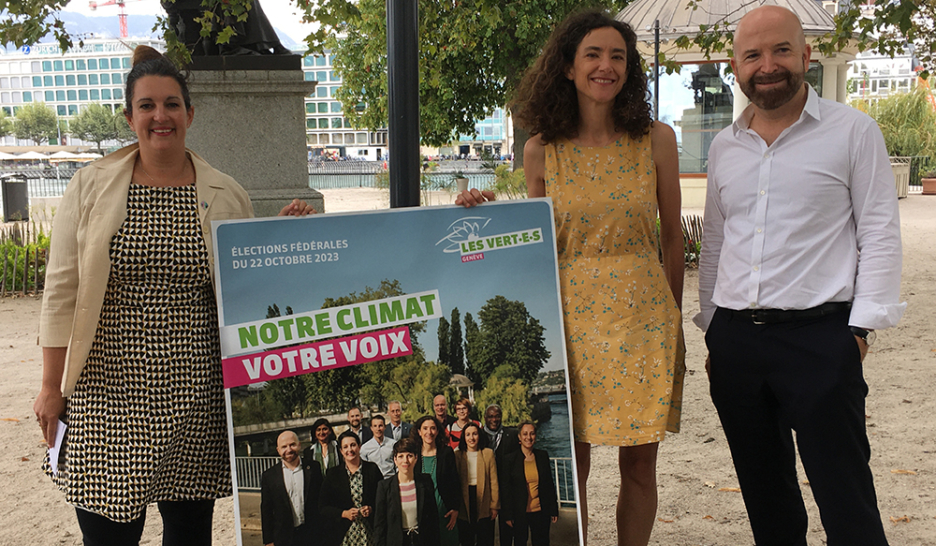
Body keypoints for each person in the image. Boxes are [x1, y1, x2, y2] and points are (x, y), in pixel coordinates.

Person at [33, 45, 315, 545]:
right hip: (107, 394)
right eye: (147, 105)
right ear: (129, 116)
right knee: (107, 531)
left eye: (170, 104)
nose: (159, 116)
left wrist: (277, 238)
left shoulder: (226, 191)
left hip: (195, 393)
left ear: (190, 113)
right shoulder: (90, 186)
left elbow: (240, 276)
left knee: (188, 534)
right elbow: (61, 292)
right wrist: (51, 386)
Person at [456, 10, 684, 546]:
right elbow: (530, 242)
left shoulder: (656, 140)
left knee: (640, 469)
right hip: (571, 326)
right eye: (593, 55)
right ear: (567, 67)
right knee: (572, 472)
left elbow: (672, 236)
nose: (606, 66)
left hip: (643, 324)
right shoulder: (541, 150)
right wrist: (475, 214)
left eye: (618, 57)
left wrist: (672, 318)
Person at [695, 6, 905, 546]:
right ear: (734, 66)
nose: (768, 65)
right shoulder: (724, 147)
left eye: (781, 50)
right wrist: (714, 328)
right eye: (753, 55)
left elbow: (878, 232)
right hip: (738, 345)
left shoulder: (853, 132)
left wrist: (857, 334)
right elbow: (717, 242)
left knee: (847, 500)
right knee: (768, 503)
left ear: (806, 55)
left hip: (822, 340)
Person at [319, 430, 384, 546]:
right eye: (345, 447)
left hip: (370, 533)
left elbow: (383, 499)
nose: (350, 450)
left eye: (353, 445)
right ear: (341, 451)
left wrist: (371, 508)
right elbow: (323, 507)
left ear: (359, 447)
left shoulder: (372, 469)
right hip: (344, 535)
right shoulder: (333, 474)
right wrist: (344, 513)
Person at [374, 438, 441, 546]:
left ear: (416, 458)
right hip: (397, 541)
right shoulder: (384, 486)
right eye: (401, 456)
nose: (405, 461)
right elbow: (380, 524)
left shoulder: (425, 481)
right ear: (395, 460)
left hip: (422, 540)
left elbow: (433, 519)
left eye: (409, 456)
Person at [261, 431, 324, 546]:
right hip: (284, 537)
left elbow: (322, 500)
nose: (289, 450)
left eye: (292, 445)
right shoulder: (269, 476)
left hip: (312, 535)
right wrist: (268, 541)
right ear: (278, 450)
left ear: (299, 445)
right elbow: (266, 510)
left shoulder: (314, 468)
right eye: (284, 447)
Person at [500, 423, 558, 546]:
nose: (529, 437)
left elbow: (548, 484)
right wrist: (508, 514)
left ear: (535, 436)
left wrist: (553, 508)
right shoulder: (510, 459)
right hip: (519, 513)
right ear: (519, 437)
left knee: (542, 542)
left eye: (532, 433)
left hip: (541, 511)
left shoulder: (542, 456)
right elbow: (506, 489)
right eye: (525, 434)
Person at [410, 416, 460, 546]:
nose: (429, 432)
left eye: (433, 428)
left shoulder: (446, 452)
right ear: (419, 432)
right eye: (425, 428)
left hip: (444, 511)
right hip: (421, 513)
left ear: (437, 431)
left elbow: (455, 481)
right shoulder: (413, 454)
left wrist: (455, 509)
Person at [454, 422, 499, 546]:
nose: (471, 438)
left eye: (474, 434)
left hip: (484, 498)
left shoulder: (488, 453)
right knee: (466, 537)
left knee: (485, 537)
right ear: (463, 437)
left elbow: (493, 481)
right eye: (468, 435)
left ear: (479, 436)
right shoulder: (457, 455)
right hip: (465, 498)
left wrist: (494, 505)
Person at [482, 404, 519, 546]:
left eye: (497, 416)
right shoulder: (479, 436)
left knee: (507, 528)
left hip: (506, 488)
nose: (494, 419)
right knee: (486, 530)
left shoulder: (512, 434)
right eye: (491, 416)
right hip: (486, 488)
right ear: (485, 418)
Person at [362, 415, 398, 479]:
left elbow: (398, 465)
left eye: (380, 426)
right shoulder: (365, 448)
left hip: (391, 478)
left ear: (385, 427)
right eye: (375, 426)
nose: (378, 429)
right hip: (374, 481)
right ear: (371, 428)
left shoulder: (393, 444)